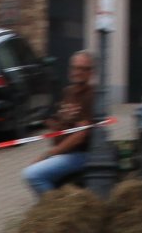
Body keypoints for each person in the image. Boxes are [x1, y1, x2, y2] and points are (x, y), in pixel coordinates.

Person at [23, 51, 96, 197]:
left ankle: (57, 207)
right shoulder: (68, 92)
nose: (78, 72)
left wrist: (49, 154)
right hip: (65, 152)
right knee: (33, 169)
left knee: (32, 174)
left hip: (81, 154)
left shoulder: (91, 95)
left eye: (83, 69)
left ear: (91, 72)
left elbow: (80, 135)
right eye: (75, 68)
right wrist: (53, 122)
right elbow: (59, 124)